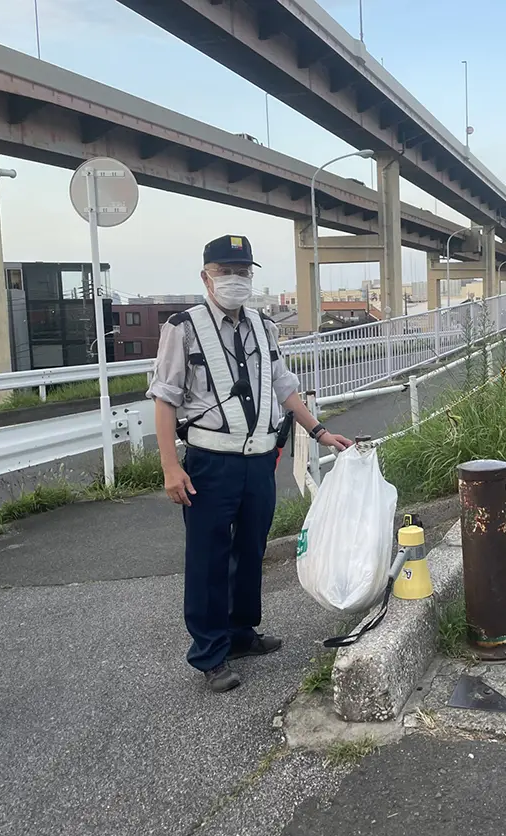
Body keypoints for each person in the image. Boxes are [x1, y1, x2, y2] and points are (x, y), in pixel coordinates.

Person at [148, 235, 353, 694]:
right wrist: (169, 467)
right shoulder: (182, 328)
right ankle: (209, 653)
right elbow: (164, 400)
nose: (235, 280)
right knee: (208, 558)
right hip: (209, 463)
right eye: (225, 272)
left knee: (250, 551)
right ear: (206, 277)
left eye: (243, 272)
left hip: (260, 460)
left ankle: (242, 633)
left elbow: (284, 387)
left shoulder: (264, 326)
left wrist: (319, 432)